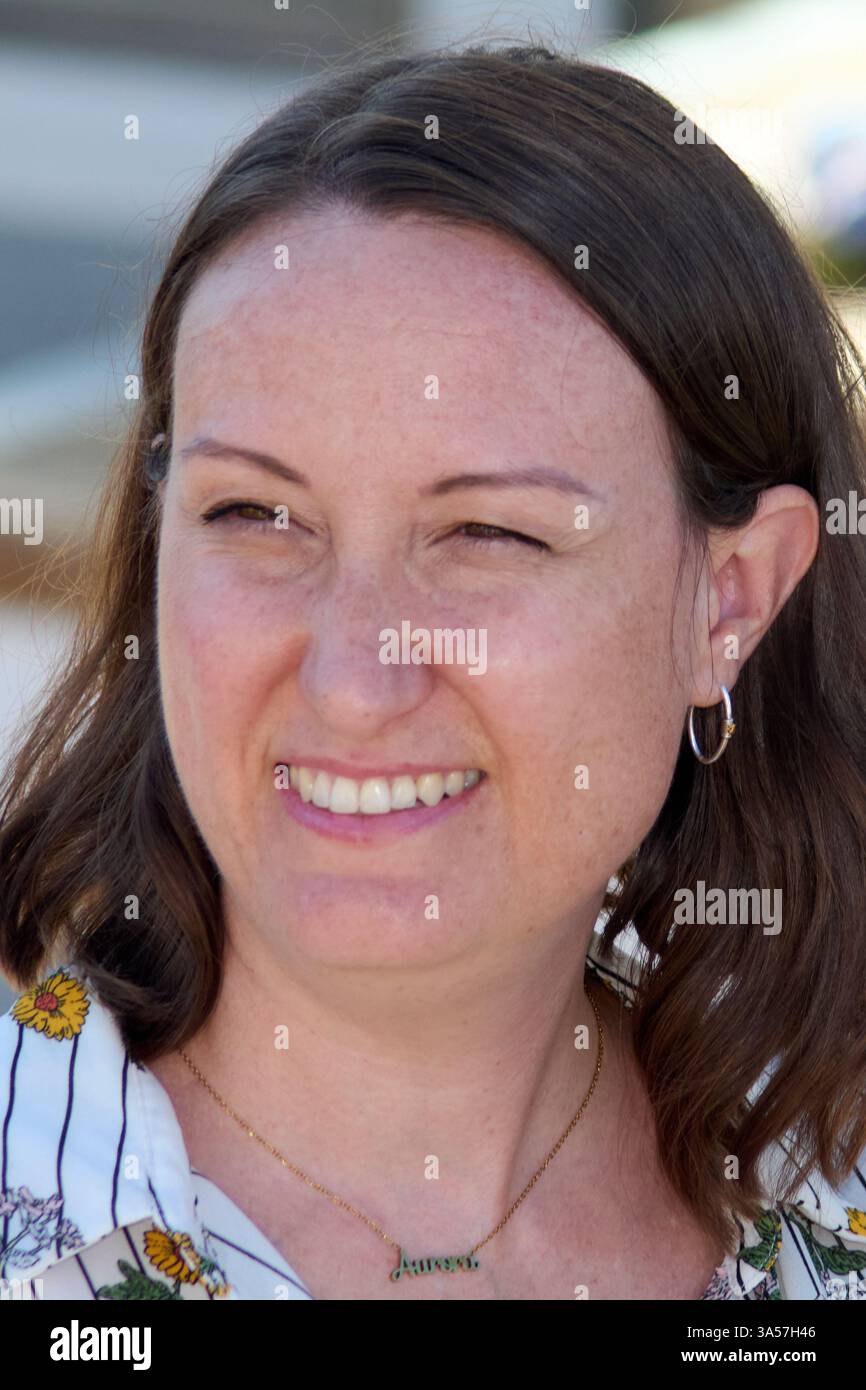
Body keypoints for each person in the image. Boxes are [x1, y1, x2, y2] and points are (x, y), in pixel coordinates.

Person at [2, 42, 865, 1301]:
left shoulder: (824, 1197)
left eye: (486, 534)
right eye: (255, 514)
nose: (354, 678)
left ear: (726, 597)